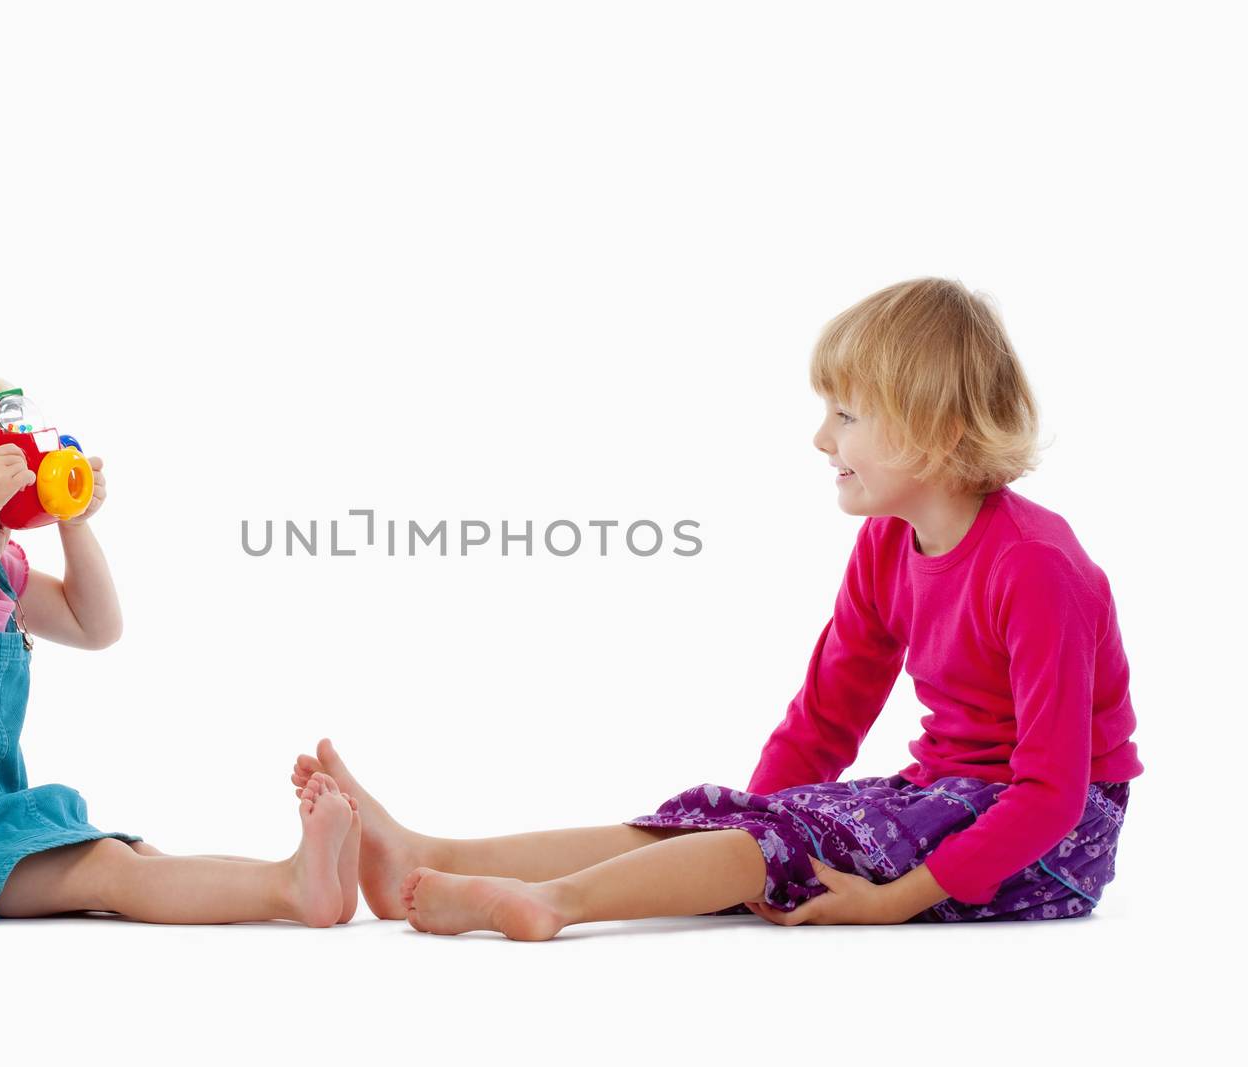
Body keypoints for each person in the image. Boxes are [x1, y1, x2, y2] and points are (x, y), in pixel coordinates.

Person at [292, 278, 1143, 939]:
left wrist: (899, 901)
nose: (820, 439)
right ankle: (435, 855)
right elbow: (824, 719)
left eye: (845, 415)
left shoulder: (1033, 568)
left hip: (1054, 843)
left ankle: (551, 901)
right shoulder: (886, 546)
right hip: (948, 796)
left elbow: (1055, 791)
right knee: (728, 822)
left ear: (936, 430)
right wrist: (747, 817)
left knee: (777, 845)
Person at [0, 355, 359, 925]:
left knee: (127, 853)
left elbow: (94, 626)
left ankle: (300, 876)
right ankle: (293, 888)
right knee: (107, 871)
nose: (6, 490)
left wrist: (72, 521)